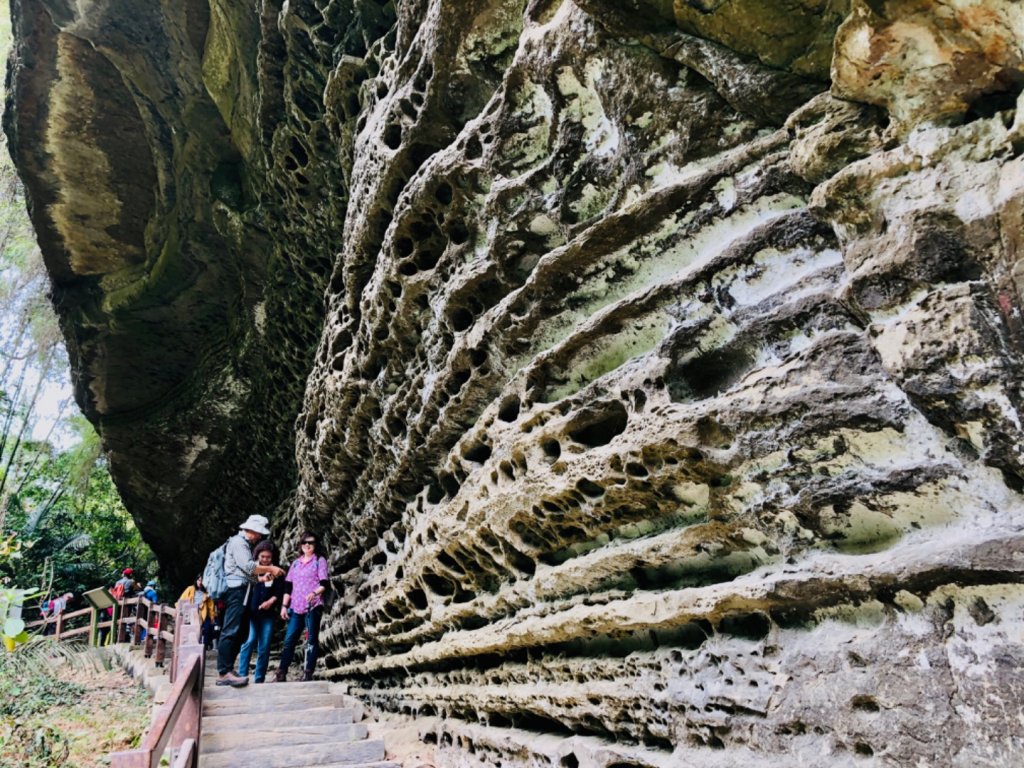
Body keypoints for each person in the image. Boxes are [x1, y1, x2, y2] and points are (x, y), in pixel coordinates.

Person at [216, 514, 285, 687]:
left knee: (240, 632)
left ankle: (228, 670)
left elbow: (245, 573)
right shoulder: (239, 543)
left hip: (242, 591)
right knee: (231, 630)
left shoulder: (243, 544)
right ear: (252, 530)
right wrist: (270, 568)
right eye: (259, 533)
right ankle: (224, 672)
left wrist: (260, 579)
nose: (260, 537)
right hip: (236, 592)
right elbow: (248, 567)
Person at [275, 531, 329, 682]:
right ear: (300, 545)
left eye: (310, 542)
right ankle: (281, 673)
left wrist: (314, 592)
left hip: (313, 605)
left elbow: (324, 583)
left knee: (311, 639)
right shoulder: (296, 563)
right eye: (304, 542)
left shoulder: (319, 560)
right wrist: (284, 606)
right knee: (289, 639)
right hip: (296, 606)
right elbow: (288, 586)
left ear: (315, 544)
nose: (307, 545)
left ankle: (308, 673)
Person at [237, 542, 285, 683]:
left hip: (268, 615)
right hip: (251, 613)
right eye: (262, 556)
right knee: (250, 641)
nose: (265, 559)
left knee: (264, 646)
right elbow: (244, 583)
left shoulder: (276, 571)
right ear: (257, 555)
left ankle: (259, 678)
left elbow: (280, 590)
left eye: (268, 557)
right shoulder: (252, 569)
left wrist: (270, 602)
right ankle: (242, 674)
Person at [178, 575, 217, 649]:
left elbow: (211, 606)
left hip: (202, 613)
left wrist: (212, 617)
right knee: (191, 630)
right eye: (199, 580)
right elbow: (182, 599)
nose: (200, 582)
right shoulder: (190, 589)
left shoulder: (206, 593)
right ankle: (190, 645)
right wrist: (178, 609)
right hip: (191, 612)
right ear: (196, 580)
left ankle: (204, 647)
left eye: (202, 580)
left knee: (206, 630)